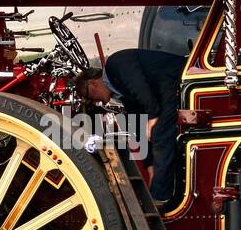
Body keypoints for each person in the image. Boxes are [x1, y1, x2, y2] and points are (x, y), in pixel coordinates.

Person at [78, 48, 186, 204]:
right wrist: (150, 167)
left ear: (93, 83)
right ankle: (162, 192)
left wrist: (153, 116)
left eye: (89, 97)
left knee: (160, 134)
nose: (96, 103)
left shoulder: (116, 63)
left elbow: (139, 86)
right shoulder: (121, 92)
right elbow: (137, 127)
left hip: (172, 79)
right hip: (164, 89)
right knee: (156, 134)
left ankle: (161, 198)